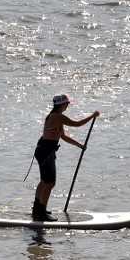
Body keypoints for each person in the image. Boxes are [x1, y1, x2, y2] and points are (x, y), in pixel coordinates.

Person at [32, 93, 100, 221]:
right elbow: (77, 124)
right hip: (46, 152)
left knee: (44, 181)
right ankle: (40, 213)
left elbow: (62, 136)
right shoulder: (58, 117)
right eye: (67, 103)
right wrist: (92, 115)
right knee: (50, 183)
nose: (68, 105)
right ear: (62, 104)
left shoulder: (53, 117)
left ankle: (37, 210)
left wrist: (79, 145)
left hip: (43, 150)